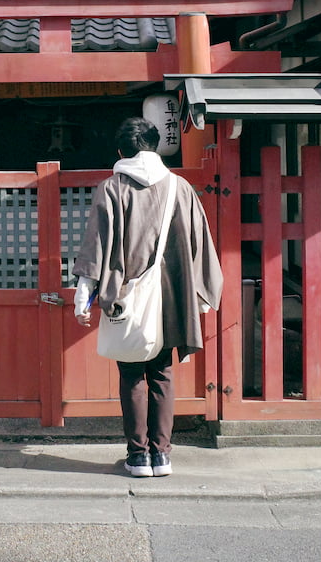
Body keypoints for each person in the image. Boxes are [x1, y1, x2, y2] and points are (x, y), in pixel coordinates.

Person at [72, 117, 223, 478]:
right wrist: (202, 297)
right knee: (163, 372)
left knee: (130, 374)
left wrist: (83, 295)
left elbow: (97, 246)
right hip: (173, 297)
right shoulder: (180, 188)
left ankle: (138, 456)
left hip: (128, 297)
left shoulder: (112, 188)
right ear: (155, 146)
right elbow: (200, 244)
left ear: (121, 150)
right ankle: (163, 455)